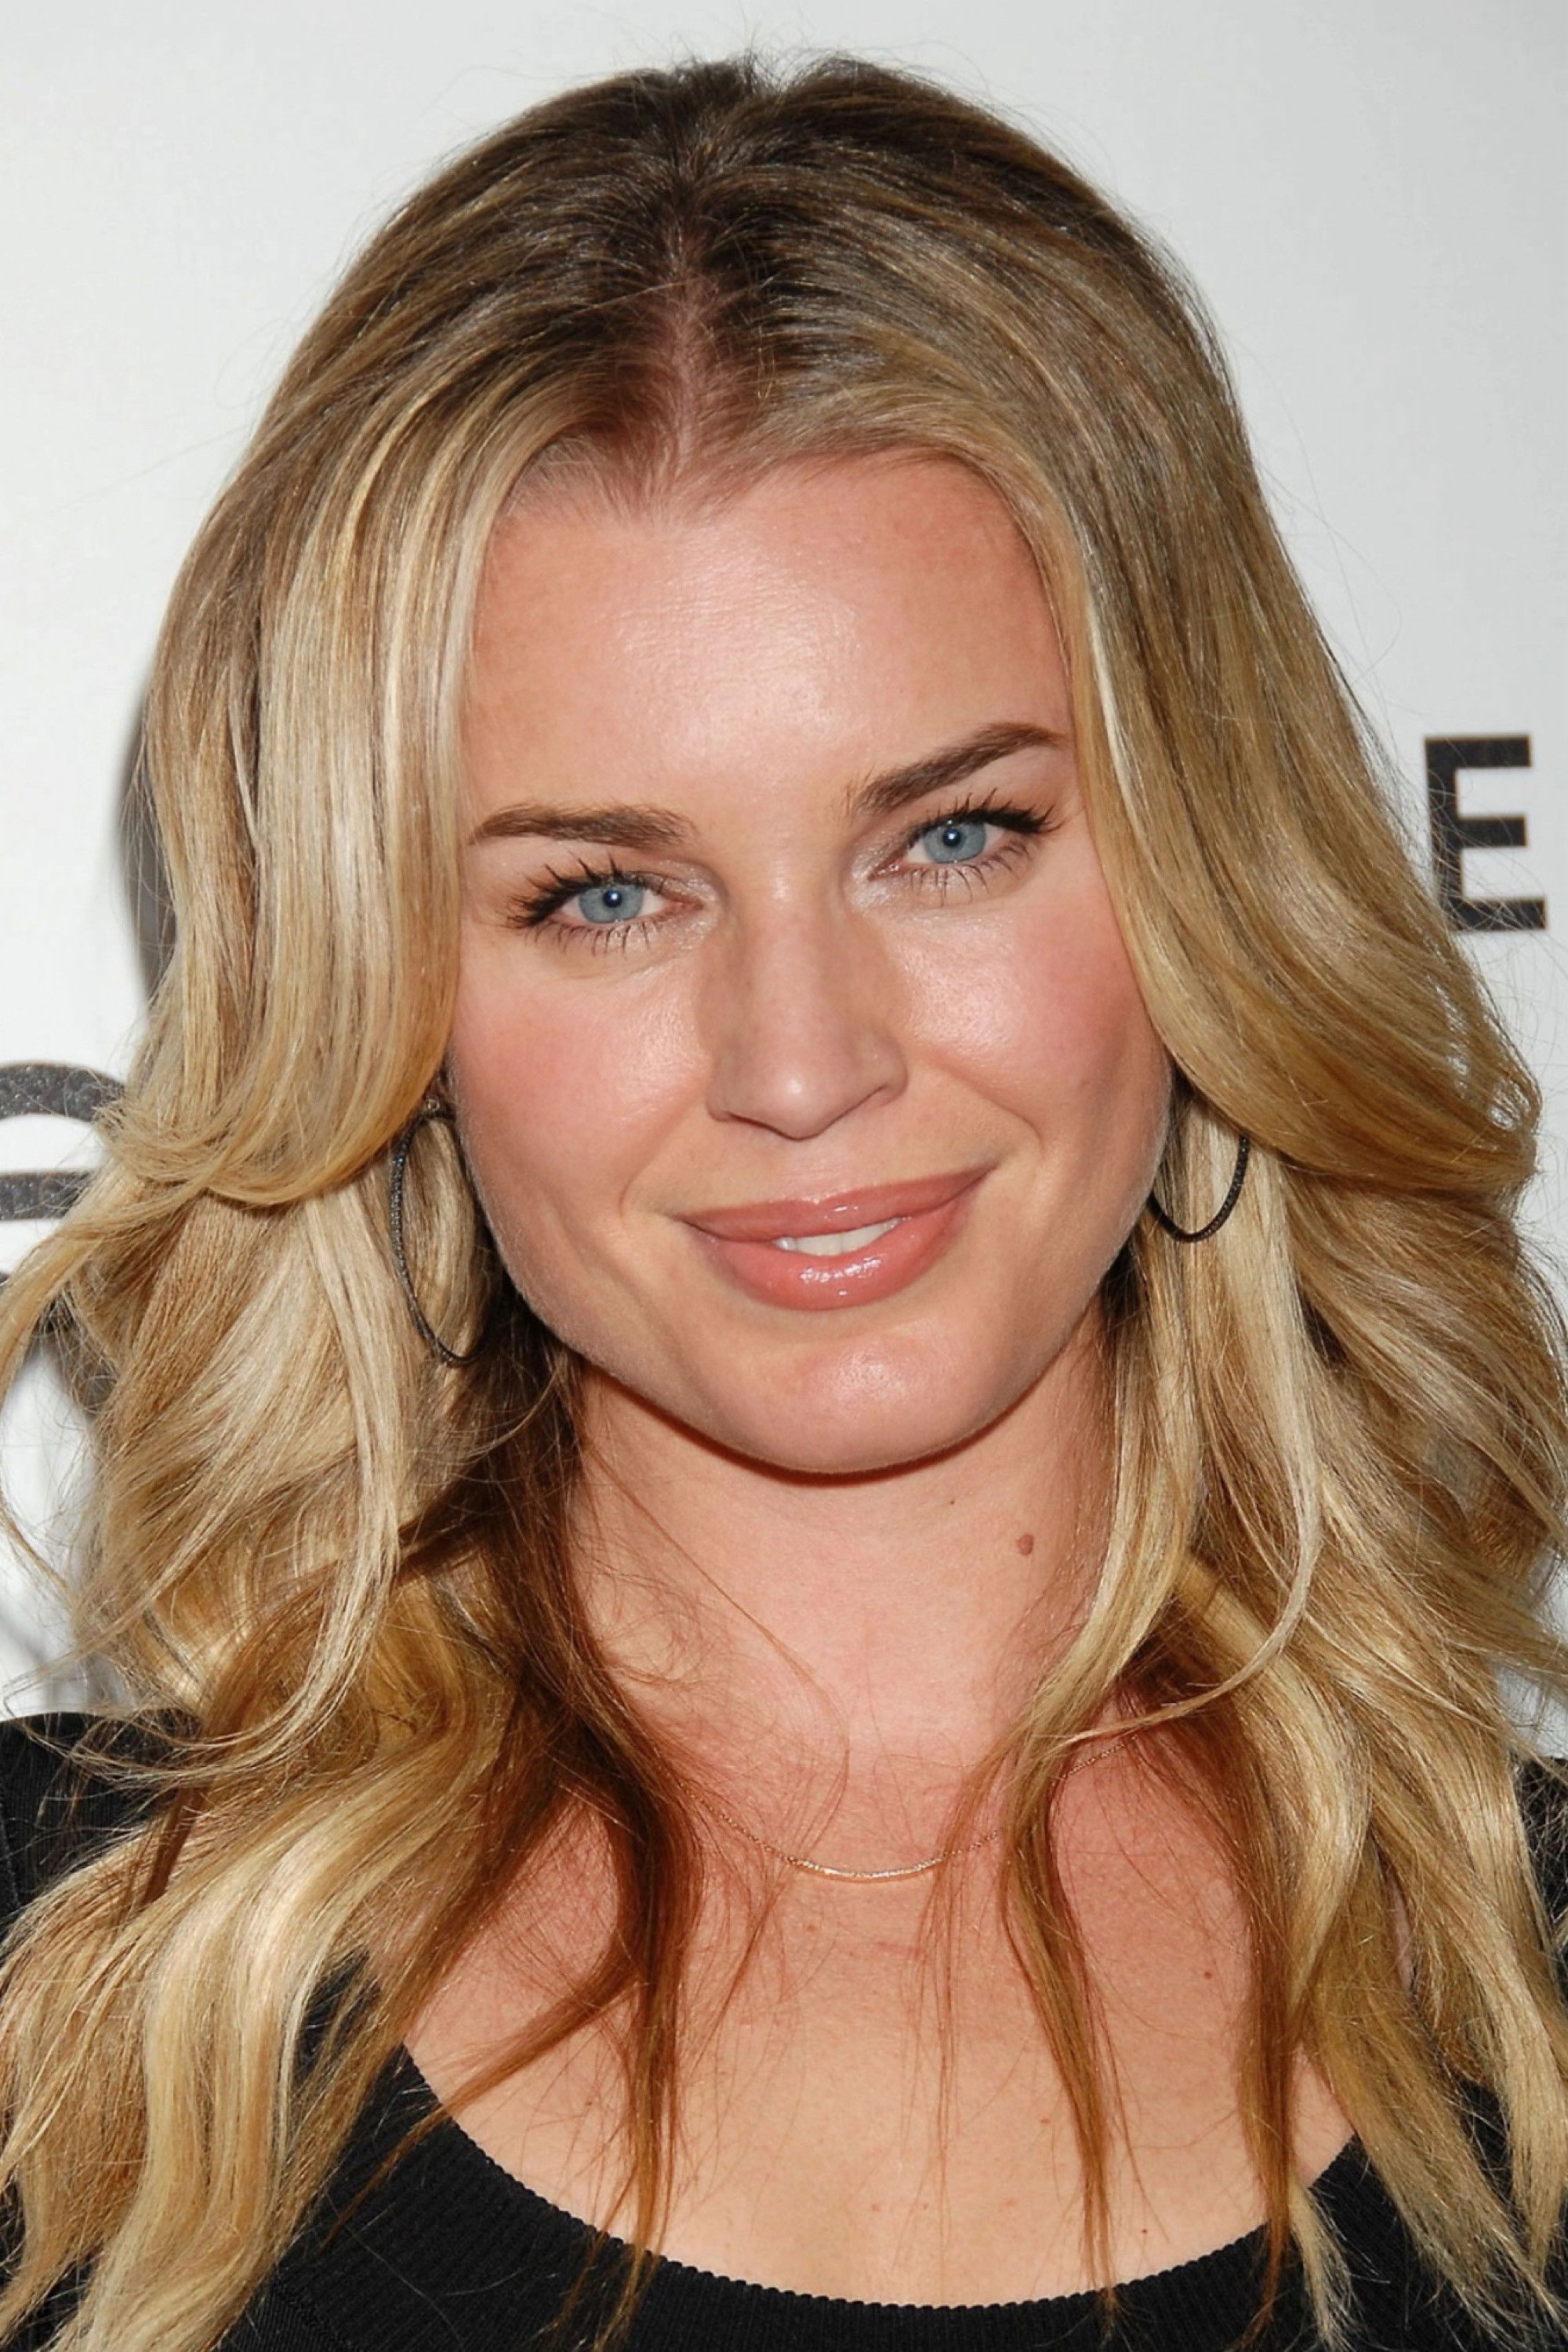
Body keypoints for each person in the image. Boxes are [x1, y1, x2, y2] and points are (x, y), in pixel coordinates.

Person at [0, 49, 1566, 2352]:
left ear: (1206, 873)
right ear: (391, 1006)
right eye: (606, 895)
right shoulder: (64, 1998)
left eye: (954, 838)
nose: (806, 1066)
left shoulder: (1535, 1983)